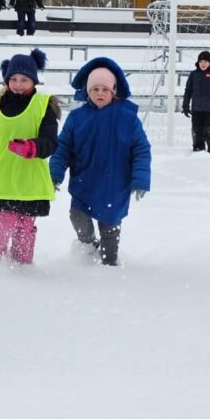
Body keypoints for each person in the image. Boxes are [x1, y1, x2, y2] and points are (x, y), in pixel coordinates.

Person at [50, 58, 151, 267]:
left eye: (104, 89)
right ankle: (88, 246)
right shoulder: (77, 118)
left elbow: (141, 150)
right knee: (77, 217)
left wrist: (140, 179)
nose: (99, 93)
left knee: (109, 227)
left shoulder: (127, 118)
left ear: (113, 91)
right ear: (87, 91)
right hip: (84, 182)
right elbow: (63, 149)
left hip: (114, 186)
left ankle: (110, 264)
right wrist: (54, 175)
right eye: (94, 89)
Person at [0, 49, 60, 264]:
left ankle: (22, 267)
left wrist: (32, 147)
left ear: (34, 81)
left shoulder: (44, 104)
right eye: (13, 79)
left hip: (30, 180)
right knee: (3, 220)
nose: (18, 84)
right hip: (4, 177)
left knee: (25, 224)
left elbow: (51, 142)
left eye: (24, 79)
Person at [182, 50, 210, 153]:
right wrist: (185, 106)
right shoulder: (193, 75)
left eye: (205, 61)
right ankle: (198, 149)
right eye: (201, 61)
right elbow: (188, 91)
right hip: (196, 109)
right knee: (197, 131)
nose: (203, 64)